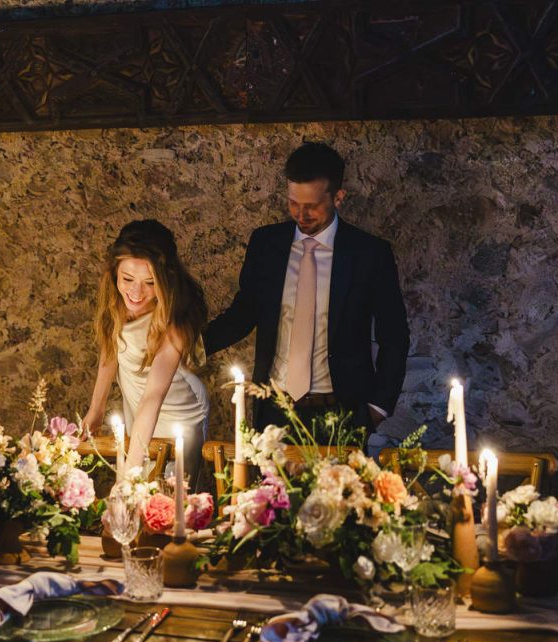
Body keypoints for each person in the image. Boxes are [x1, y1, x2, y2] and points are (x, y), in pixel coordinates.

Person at [203, 142, 410, 437]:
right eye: (293, 203)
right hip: (274, 410)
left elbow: (395, 335)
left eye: (312, 205)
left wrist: (378, 408)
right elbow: (243, 313)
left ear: (338, 197)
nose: (301, 214)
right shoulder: (266, 244)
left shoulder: (369, 254)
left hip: (342, 413)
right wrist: (192, 347)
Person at [81, 220, 210, 491]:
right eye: (127, 279)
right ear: (115, 271)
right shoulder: (114, 298)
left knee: (169, 493)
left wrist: (131, 475)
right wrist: (96, 409)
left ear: (166, 279)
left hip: (175, 406)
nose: (136, 293)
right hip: (136, 397)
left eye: (149, 283)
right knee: (137, 467)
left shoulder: (174, 319)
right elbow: (111, 347)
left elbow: (154, 396)